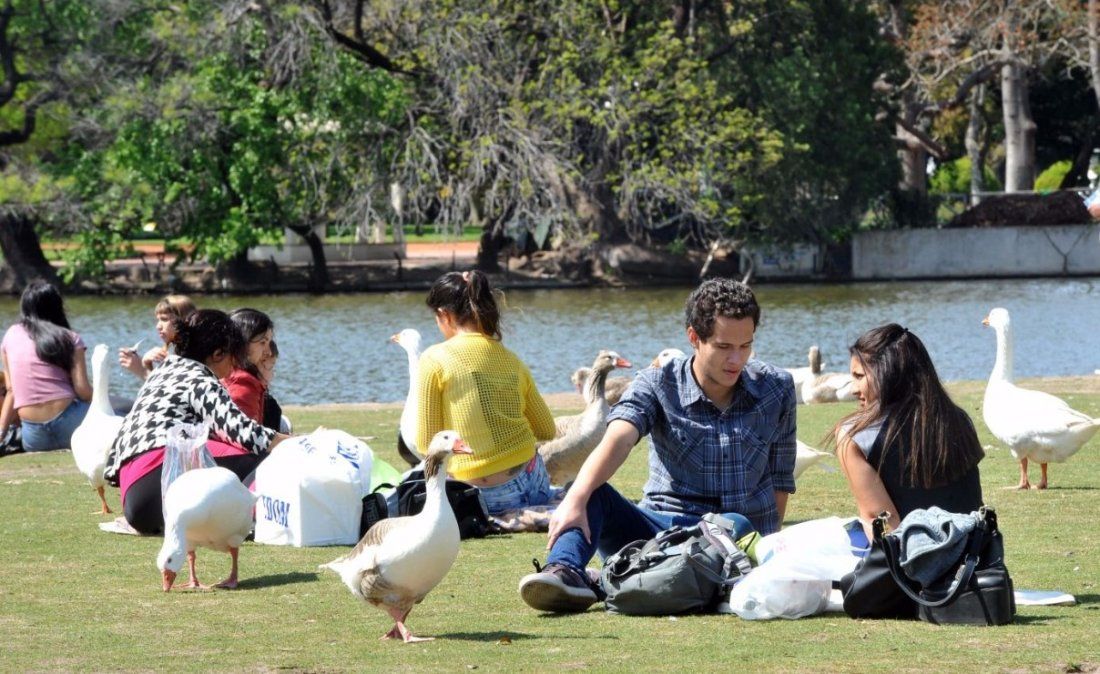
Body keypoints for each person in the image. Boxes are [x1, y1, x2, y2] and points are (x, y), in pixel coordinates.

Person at [518, 277, 796, 613]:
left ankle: (624, 580)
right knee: (588, 490)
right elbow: (619, 436)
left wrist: (769, 550)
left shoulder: (777, 387)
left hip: (735, 535)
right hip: (661, 532)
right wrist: (575, 499)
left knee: (733, 521)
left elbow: (780, 479)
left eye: (745, 346)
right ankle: (564, 573)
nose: (736, 359)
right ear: (694, 337)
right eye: (724, 347)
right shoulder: (657, 382)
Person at [104, 309, 290, 535]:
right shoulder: (200, 378)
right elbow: (244, 433)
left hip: (134, 496)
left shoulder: (163, 372)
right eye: (234, 355)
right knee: (264, 459)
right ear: (218, 353)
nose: (236, 364)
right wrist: (295, 444)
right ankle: (257, 517)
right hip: (157, 481)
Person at [415, 270, 558, 515]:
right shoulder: (511, 359)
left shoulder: (433, 359)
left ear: (444, 315)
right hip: (535, 483)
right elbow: (547, 430)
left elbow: (426, 443)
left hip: (481, 497)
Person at [833, 323, 983, 539]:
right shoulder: (959, 419)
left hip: (911, 564)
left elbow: (883, 525)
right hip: (973, 558)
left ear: (887, 374)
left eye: (859, 376)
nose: (853, 389)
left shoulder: (853, 436)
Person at [0, 281, 93, 452]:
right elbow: (83, 391)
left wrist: (1, 432)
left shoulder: (10, 335)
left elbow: (12, 391)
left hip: (34, 438)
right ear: (57, 307)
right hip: (71, 426)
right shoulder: (70, 338)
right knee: (118, 411)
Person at [223, 308, 279, 428]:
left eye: (269, 343)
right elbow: (249, 437)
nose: (268, 352)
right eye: (263, 343)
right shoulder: (241, 383)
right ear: (243, 341)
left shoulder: (223, 373)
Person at [119, 294, 196, 380]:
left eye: (164, 319)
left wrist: (142, 371)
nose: (158, 326)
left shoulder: (192, 354)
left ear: (183, 320)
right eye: (158, 320)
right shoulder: (174, 350)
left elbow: (174, 390)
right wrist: (148, 365)